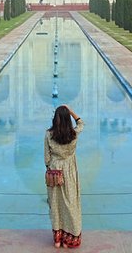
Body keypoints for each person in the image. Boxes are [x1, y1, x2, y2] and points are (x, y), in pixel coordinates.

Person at [45, 105, 84, 249]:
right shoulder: (73, 133)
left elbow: (47, 157)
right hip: (69, 171)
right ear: (68, 120)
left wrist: (50, 169)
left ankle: (57, 240)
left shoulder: (49, 134)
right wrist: (71, 111)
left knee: (55, 204)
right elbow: (81, 123)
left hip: (54, 171)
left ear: (55, 119)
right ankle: (69, 239)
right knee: (70, 203)